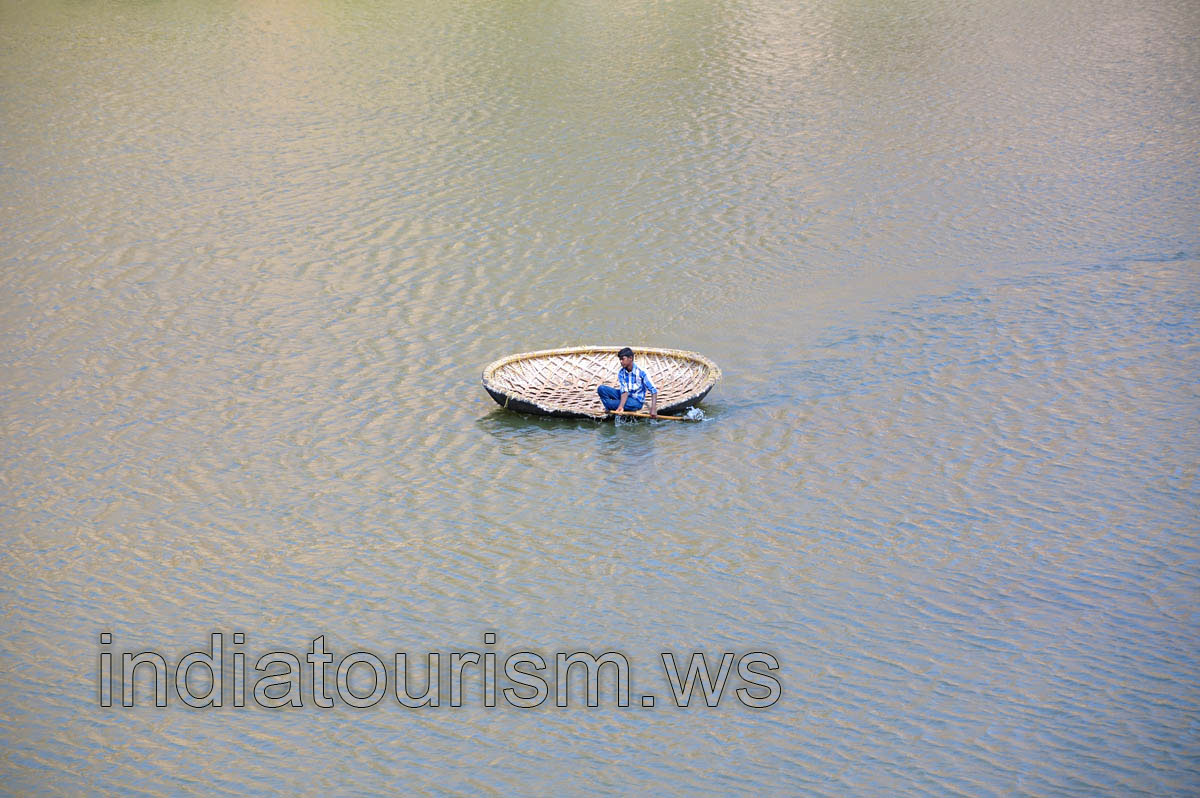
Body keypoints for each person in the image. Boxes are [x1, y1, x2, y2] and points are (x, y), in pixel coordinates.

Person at [597, 347, 658, 417]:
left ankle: (610, 406)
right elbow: (624, 391)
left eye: (623, 359)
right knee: (601, 389)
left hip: (635, 401)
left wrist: (653, 408)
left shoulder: (641, 372)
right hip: (625, 397)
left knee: (609, 403)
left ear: (630, 358)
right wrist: (621, 406)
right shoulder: (621, 372)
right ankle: (613, 406)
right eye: (620, 359)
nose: (621, 361)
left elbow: (653, 391)